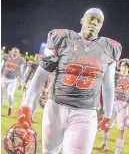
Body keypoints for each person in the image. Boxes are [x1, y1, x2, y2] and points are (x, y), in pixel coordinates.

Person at [17, 8, 122, 154]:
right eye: (91, 18)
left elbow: (109, 85)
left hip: (85, 112)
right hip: (55, 107)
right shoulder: (62, 38)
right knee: (48, 151)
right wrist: (26, 106)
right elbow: (41, 74)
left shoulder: (109, 48)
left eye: (99, 21)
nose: (94, 22)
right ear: (82, 20)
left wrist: (108, 113)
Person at [97, 59, 129, 154]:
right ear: (120, 66)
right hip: (113, 103)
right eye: (123, 66)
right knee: (107, 125)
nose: (124, 68)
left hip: (123, 105)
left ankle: (117, 152)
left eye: (126, 67)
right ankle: (103, 143)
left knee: (121, 129)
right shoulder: (116, 75)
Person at [1, 47, 26, 115]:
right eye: (14, 51)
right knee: (1, 95)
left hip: (13, 80)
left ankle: (10, 107)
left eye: (16, 52)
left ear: (18, 53)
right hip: (4, 78)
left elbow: (21, 72)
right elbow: (2, 66)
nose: (15, 53)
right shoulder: (6, 57)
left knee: (10, 95)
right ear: (11, 52)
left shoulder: (20, 60)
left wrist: (21, 83)